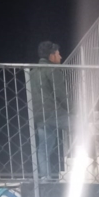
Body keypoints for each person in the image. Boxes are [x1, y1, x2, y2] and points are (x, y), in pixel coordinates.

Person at [29, 41, 69, 179]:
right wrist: (74, 110)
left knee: (43, 149)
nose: (61, 56)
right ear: (52, 56)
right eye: (58, 54)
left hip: (40, 114)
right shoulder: (53, 70)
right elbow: (61, 94)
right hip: (55, 112)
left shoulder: (32, 72)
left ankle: (45, 178)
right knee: (81, 128)